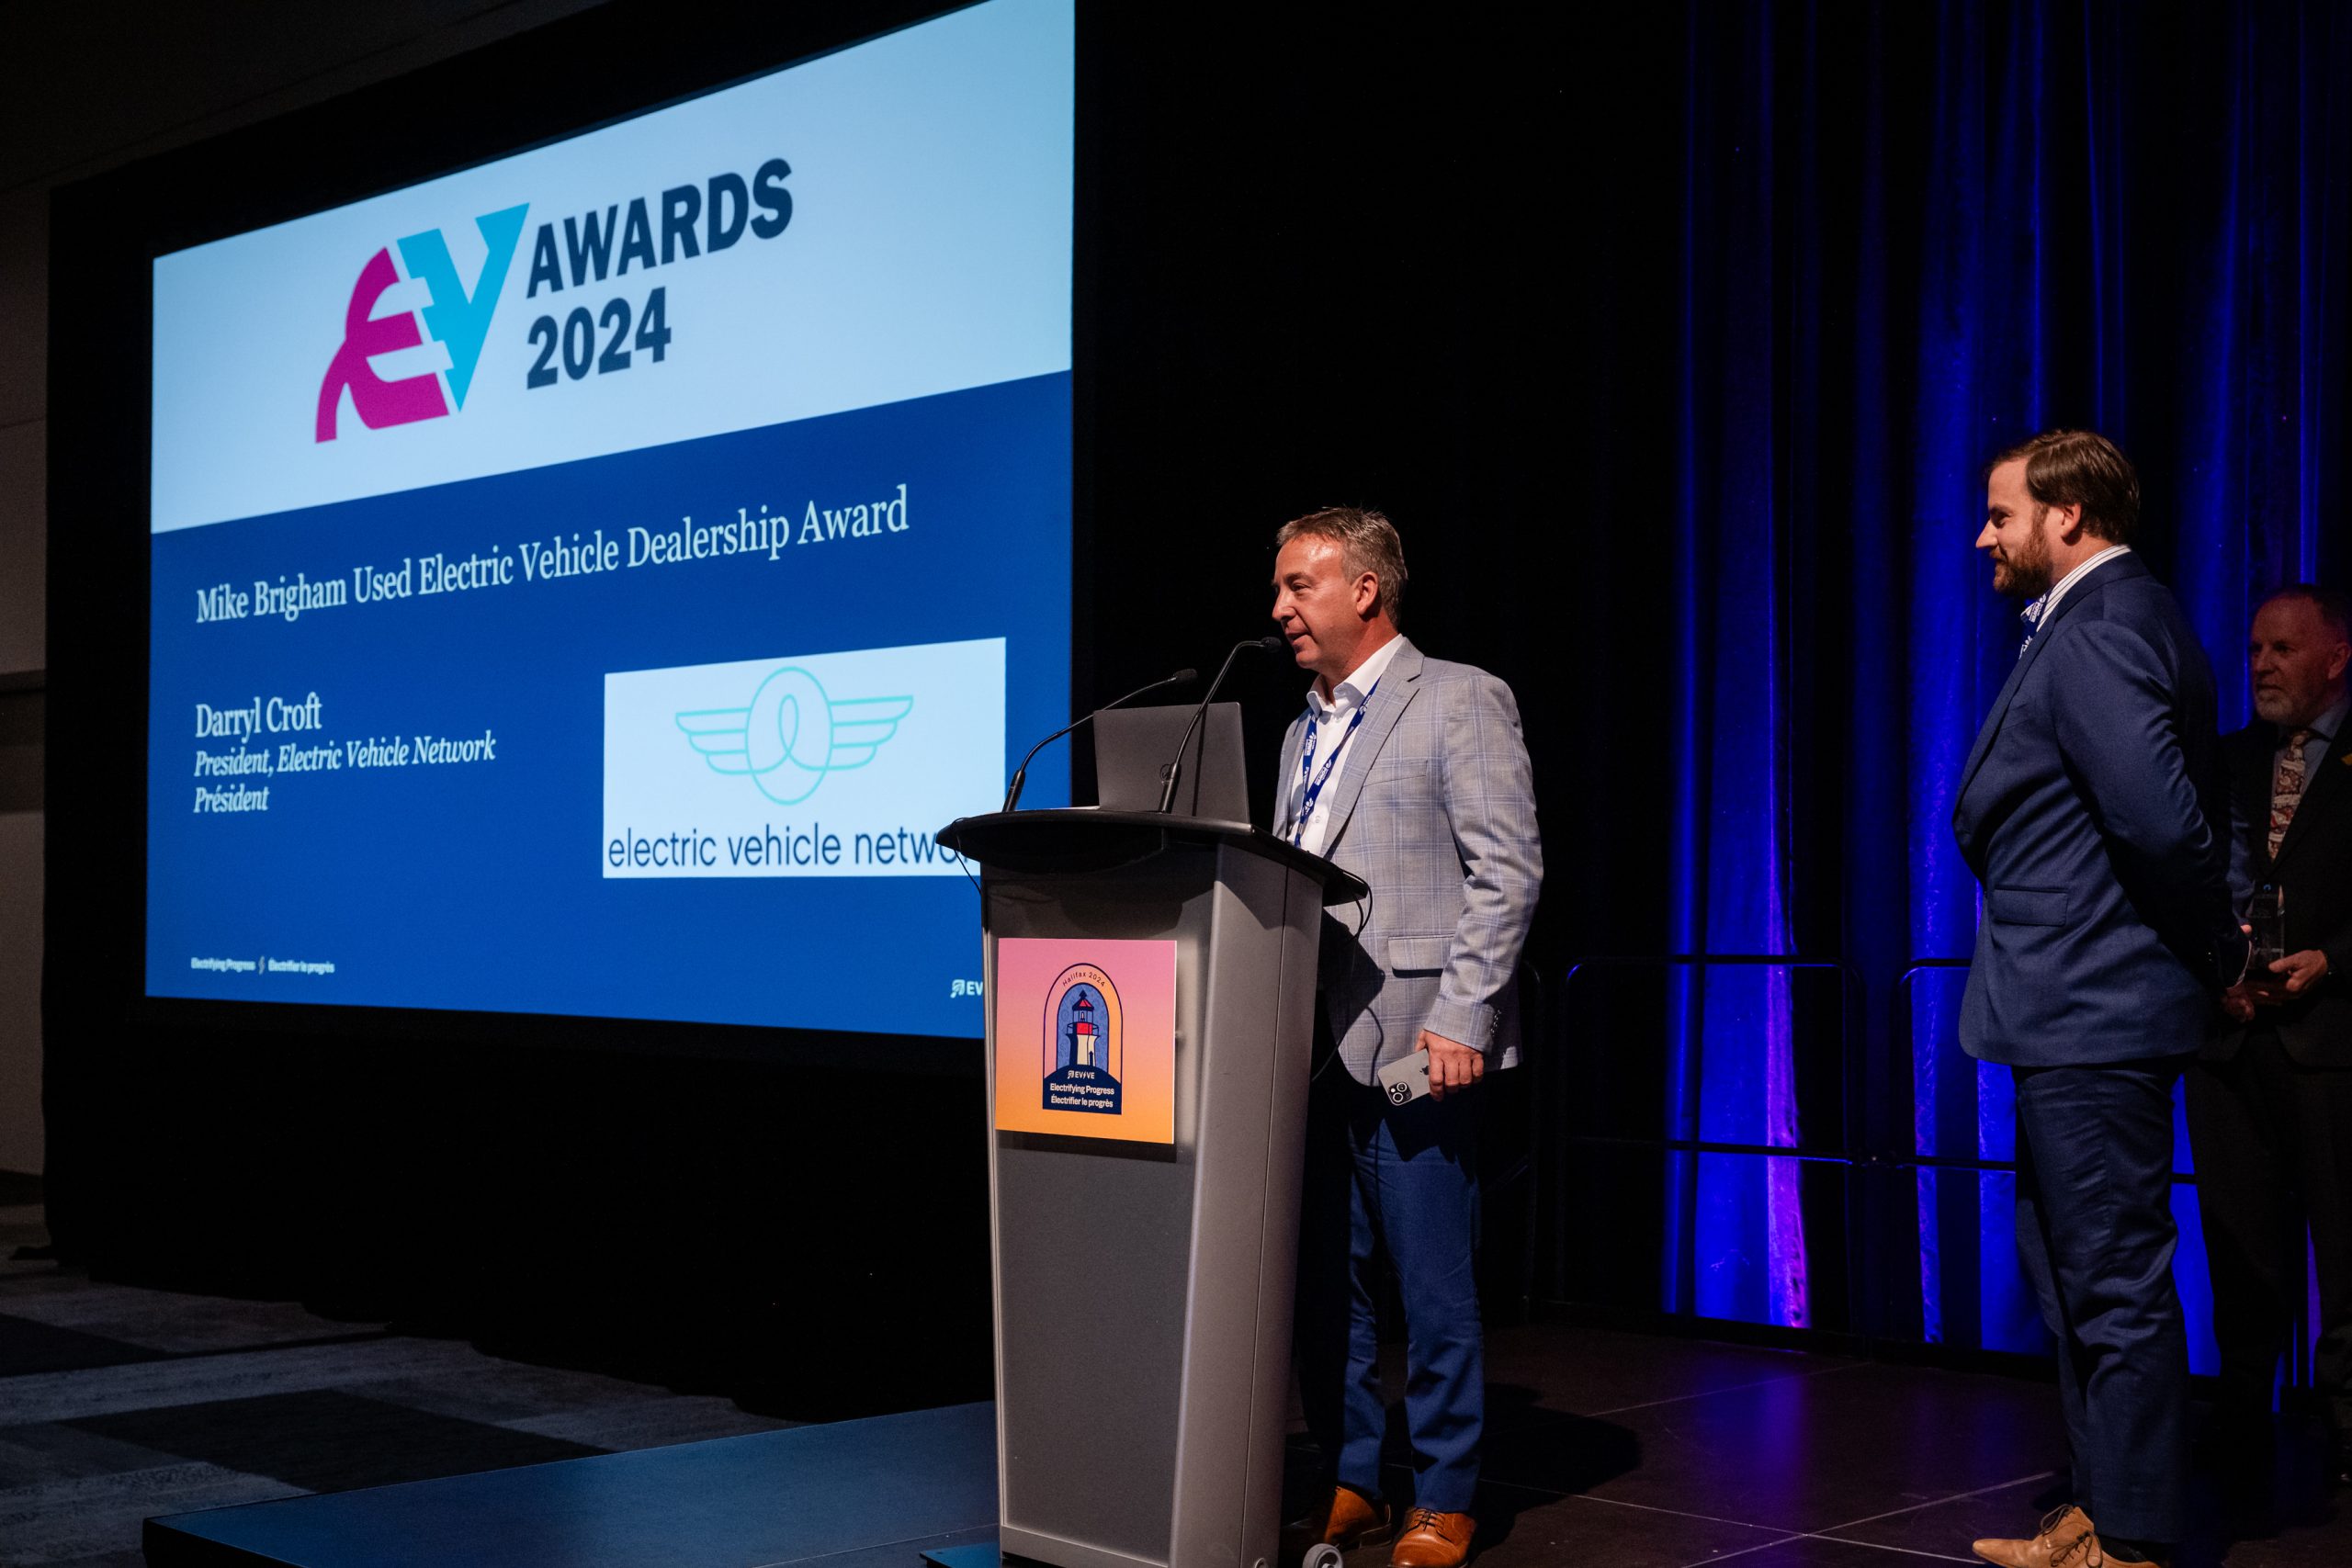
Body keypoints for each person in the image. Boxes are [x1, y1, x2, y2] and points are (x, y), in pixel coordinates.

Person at [1952, 431, 2245, 1568]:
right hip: (2067, 1004)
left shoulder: (2105, 625)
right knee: (2071, 1281)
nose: (1984, 536)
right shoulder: (2092, 621)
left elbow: (2164, 824)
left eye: (2001, 514)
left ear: (2066, 515)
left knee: (2112, 1283)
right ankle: (2099, 1509)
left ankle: (2131, 1539)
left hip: (2095, 1003)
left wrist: (2217, 951)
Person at [1269, 507, 1541, 1568]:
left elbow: (1505, 872)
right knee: (1322, 1291)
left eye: (1298, 585)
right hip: (1304, 1046)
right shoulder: (1300, 729)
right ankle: (1351, 1481)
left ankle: (1443, 1495)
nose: (1279, 607)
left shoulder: (1458, 698)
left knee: (1431, 1289)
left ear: (1365, 590)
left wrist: (1464, 1014)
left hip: (1416, 1044)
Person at [2187, 584, 2352, 1510]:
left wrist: (2334, 958)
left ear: (2335, 656)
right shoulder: (2226, 760)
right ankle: (2243, 1426)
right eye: (2253, 649)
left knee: (2345, 1253)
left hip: (2331, 1046)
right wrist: (2212, 969)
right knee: (2240, 1248)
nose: (2261, 666)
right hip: (2232, 1041)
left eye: (2283, 650)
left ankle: (2345, 1432)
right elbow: (2190, 881)